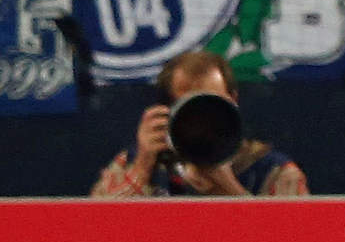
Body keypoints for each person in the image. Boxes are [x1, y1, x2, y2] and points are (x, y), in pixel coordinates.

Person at [90, 51, 308, 197]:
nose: (202, 120)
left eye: (211, 104)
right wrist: (142, 168)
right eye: (189, 106)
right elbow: (94, 234)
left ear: (232, 100)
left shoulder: (273, 172)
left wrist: (229, 189)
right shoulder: (134, 163)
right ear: (168, 108)